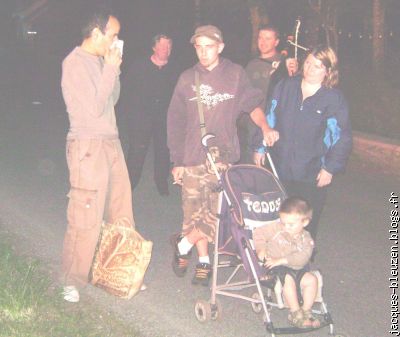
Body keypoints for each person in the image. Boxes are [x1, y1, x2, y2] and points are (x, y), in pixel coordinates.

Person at [167, 25, 272, 286]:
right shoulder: (186, 78)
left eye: (209, 46)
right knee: (193, 213)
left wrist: (266, 127)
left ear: (220, 47)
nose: (203, 52)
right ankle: (203, 261)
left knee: (214, 215)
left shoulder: (235, 74)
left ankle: (182, 244)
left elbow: (253, 106)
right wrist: (176, 161)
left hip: (223, 159)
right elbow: (175, 121)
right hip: (191, 157)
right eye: (199, 47)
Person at [60, 9, 135, 302]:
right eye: (113, 35)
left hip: (111, 142)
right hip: (88, 146)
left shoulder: (99, 61)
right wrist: (111, 68)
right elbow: (93, 108)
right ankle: (71, 279)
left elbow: (111, 99)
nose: (116, 41)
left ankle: (119, 273)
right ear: (96, 34)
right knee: (86, 214)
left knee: (120, 210)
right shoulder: (74, 63)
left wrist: (111, 67)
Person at [255, 45, 352, 241]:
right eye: (308, 63)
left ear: (328, 71)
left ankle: (302, 266)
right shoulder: (286, 86)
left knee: (305, 224)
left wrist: (330, 168)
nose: (309, 69)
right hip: (280, 167)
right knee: (278, 219)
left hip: (311, 173)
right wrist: (260, 146)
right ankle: (277, 264)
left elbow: (341, 137)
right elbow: (269, 117)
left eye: (317, 66)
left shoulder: (333, 99)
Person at [122, 34, 178, 196]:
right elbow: (128, 91)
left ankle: (161, 182)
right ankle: (129, 183)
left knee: (163, 152)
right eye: (161, 46)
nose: (165, 50)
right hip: (141, 119)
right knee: (136, 152)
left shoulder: (174, 69)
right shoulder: (139, 66)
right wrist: (132, 117)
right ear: (154, 48)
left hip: (164, 119)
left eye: (168, 47)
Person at [253, 197, 320, 328]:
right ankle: (295, 313)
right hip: (276, 268)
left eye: (291, 224)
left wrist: (283, 260)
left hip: (298, 267)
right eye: (283, 223)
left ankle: (306, 311)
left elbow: (303, 257)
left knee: (312, 280)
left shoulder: (307, 239)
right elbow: (258, 233)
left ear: (304, 222)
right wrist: (261, 249)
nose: (285, 227)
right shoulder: (276, 229)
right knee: (288, 280)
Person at [239, 24, 298, 163]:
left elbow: (295, 89)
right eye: (260, 37)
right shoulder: (251, 64)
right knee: (252, 166)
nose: (263, 42)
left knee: (274, 167)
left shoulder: (284, 63)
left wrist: (294, 71)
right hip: (253, 124)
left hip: (276, 123)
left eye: (268, 38)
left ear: (276, 42)